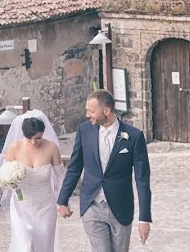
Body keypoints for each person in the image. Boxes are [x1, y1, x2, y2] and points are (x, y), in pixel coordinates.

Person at [57, 90, 152, 251]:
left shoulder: (134, 136)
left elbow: (142, 180)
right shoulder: (84, 130)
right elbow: (74, 167)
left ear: (106, 110)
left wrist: (144, 219)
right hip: (92, 206)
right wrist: (62, 200)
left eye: (91, 111)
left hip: (121, 209)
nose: (88, 115)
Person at [0, 110, 66, 252]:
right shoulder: (14, 148)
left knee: (44, 246)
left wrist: (62, 201)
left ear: (43, 132)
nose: (34, 142)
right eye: (29, 138)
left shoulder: (52, 148)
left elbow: (60, 177)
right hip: (21, 205)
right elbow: (4, 173)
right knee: (26, 245)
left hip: (46, 206)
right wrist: (11, 184)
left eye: (38, 138)